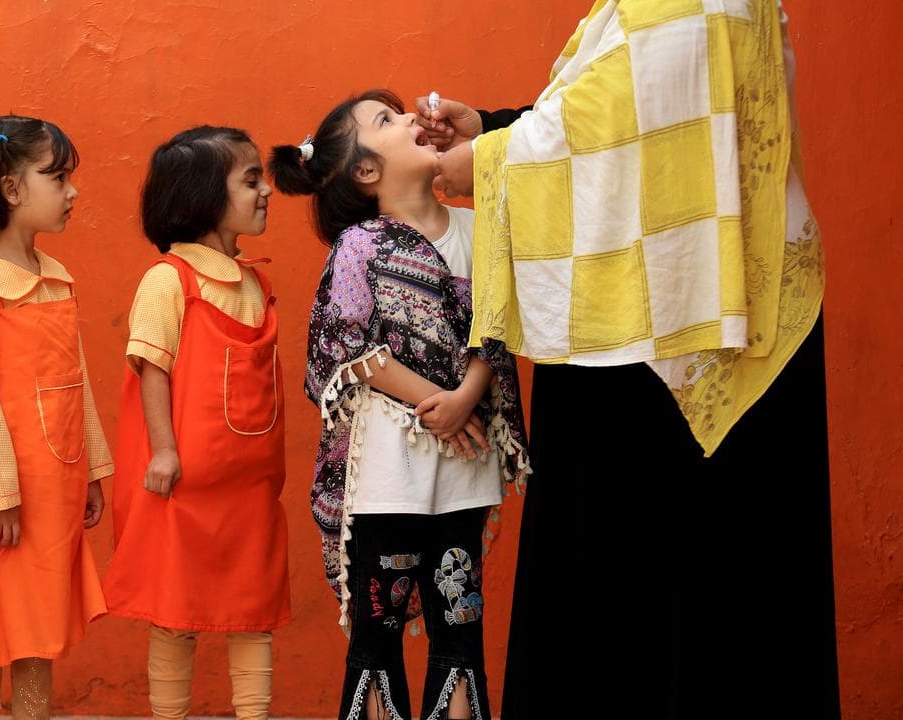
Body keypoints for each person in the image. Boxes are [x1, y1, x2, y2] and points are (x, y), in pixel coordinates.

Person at [425, 2, 839, 717]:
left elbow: (629, 113)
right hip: (681, 301)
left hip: (659, 328)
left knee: (642, 591)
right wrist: (497, 128)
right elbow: (633, 116)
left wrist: (490, 158)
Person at [270, 90, 528, 720]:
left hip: (464, 475)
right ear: (365, 171)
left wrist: (467, 396)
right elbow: (344, 349)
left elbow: (495, 327)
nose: (412, 116)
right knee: (377, 640)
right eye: (386, 121)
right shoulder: (360, 247)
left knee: (460, 632)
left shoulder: (477, 230)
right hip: (385, 478)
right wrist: (438, 404)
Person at [104, 126, 290, 720]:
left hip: (249, 488)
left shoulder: (257, 283)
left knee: (253, 612)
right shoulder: (169, 280)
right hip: (182, 486)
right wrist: (164, 452)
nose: (266, 191)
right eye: (251, 179)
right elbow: (151, 368)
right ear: (205, 194)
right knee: (174, 614)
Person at [0, 114, 111, 720]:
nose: (72, 192)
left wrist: (91, 470)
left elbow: (77, 383)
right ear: (12, 190)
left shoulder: (57, 283)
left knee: (39, 619)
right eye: (57, 178)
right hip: (5, 504)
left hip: (54, 491)